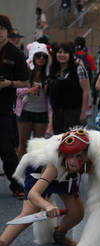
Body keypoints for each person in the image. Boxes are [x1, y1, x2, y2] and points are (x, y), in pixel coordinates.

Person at [0, 128, 90, 246]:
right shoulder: (55, 163)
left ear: (86, 155)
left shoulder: (90, 160)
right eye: (70, 156)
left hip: (66, 177)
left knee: (77, 213)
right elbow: (34, 194)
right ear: (63, 154)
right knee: (28, 214)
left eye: (79, 156)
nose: (74, 160)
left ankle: (59, 235)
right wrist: (47, 205)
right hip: (39, 174)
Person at [0, 14, 29, 199]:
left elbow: (25, 82)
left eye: (1, 30)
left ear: (7, 32)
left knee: (7, 151)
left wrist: (8, 84)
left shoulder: (16, 54)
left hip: (3, 110)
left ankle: (18, 185)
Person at [15, 42, 50, 160]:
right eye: (38, 55)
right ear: (33, 56)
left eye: (44, 56)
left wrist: (48, 88)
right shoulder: (26, 71)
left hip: (42, 113)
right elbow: (16, 91)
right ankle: (19, 173)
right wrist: (28, 91)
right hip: (25, 111)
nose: (41, 59)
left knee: (38, 147)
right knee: (23, 145)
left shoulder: (48, 74)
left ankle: (34, 175)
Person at [48, 42, 90, 134]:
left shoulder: (78, 69)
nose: (62, 55)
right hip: (58, 114)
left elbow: (86, 91)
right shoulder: (53, 70)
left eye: (65, 52)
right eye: (59, 52)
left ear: (70, 55)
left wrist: (83, 112)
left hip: (74, 113)